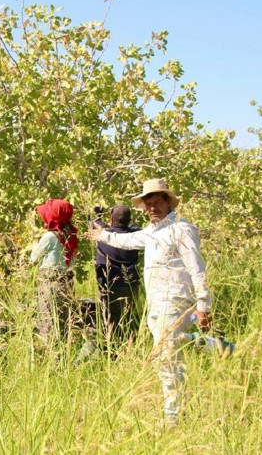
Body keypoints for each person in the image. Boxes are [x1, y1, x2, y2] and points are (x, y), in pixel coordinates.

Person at [86, 178, 213, 424]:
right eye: (149, 204)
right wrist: (103, 235)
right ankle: (210, 345)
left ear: (168, 202)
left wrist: (203, 305)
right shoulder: (152, 231)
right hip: (156, 303)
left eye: (157, 203)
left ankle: (172, 417)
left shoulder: (182, 229)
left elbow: (197, 268)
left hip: (175, 301)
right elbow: (128, 241)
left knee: (166, 358)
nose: (153, 208)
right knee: (169, 350)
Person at [30, 199, 79, 351]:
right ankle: (63, 353)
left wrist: (34, 245)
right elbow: (71, 263)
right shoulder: (70, 236)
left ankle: (51, 355)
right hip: (66, 282)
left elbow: (33, 258)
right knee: (63, 321)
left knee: (48, 321)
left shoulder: (50, 236)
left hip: (49, 282)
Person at [94, 204, 141, 345]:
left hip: (110, 284)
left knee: (109, 318)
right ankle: (129, 344)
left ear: (111, 219)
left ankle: (111, 346)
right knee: (128, 316)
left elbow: (97, 225)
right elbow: (135, 229)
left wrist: (98, 216)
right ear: (129, 220)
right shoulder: (136, 236)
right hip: (131, 283)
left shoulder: (104, 236)